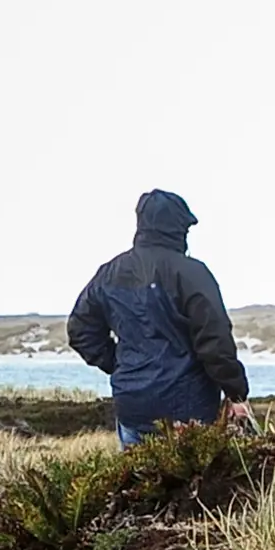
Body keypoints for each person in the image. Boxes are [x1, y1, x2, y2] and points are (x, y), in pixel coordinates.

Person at [67, 189, 251, 445]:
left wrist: (121, 364)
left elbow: (80, 330)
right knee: (193, 471)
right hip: (190, 406)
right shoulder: (192, 273)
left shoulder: (109, 273)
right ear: (178, 227)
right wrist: (236, 393)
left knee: (136, 471)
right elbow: (215, 341)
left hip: (132, 403)